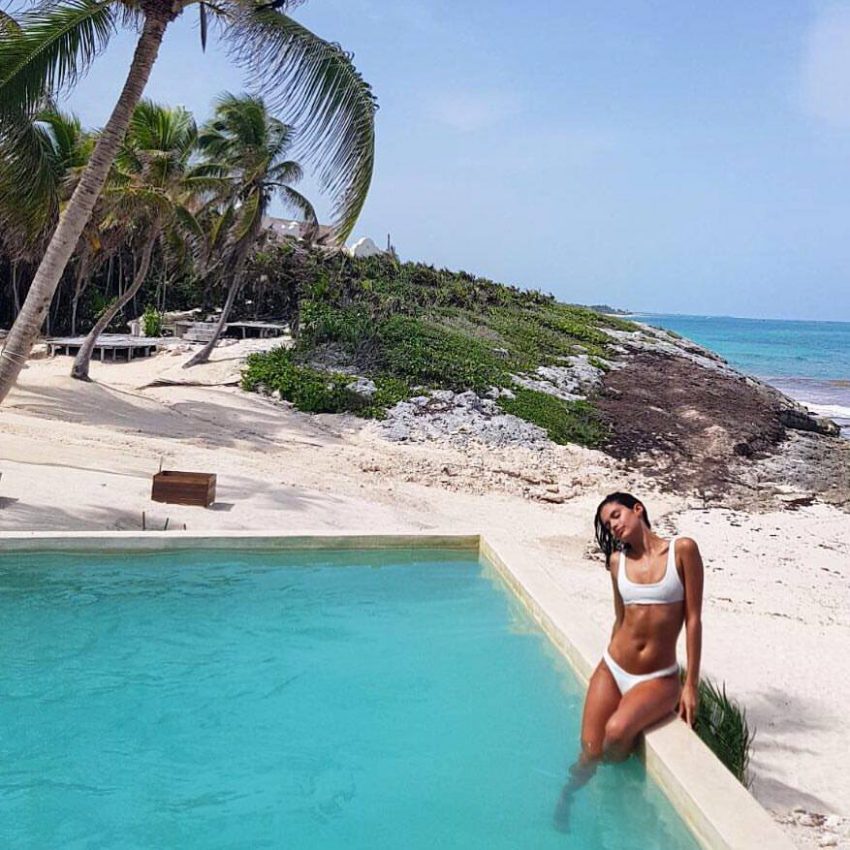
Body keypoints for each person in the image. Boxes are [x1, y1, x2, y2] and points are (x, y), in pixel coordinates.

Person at [554, 492, 704, 831]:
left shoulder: (682, 550)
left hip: (658, 677)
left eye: (617, 515)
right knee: (589, 751)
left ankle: (613, 795)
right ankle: (568, 795)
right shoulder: (616, 563)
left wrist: (690, 685)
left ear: (638, 509)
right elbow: (620, 619)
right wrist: (607, 671)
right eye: (608, 524)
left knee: (617, 732)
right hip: (613, 667)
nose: (614, 526)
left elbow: (693, 619)